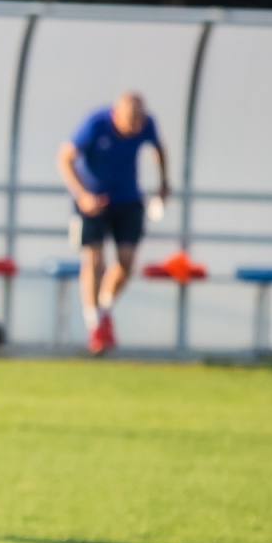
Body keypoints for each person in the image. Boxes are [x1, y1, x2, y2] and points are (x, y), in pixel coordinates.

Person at [57, 93, 168, 355]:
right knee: (94, 259)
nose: (135, 128)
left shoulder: (147, 124)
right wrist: (81, 194)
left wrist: (164, 182)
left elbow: (158, 148)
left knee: (127, 260)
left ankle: (104, 308)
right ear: (116, 115)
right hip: (93, 200)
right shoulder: (95, 124)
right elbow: (64, 157)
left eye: (139, 122)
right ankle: (93, 324)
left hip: (127, 199)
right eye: (131, 122)